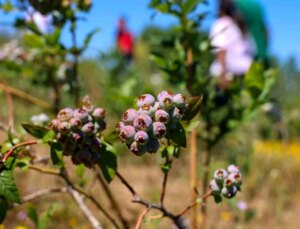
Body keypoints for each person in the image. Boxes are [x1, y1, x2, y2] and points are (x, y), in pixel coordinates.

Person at [210, 0, 253, 89]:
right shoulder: (239, 26)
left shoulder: (221, 24)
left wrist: (222, 75)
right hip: (247, 75)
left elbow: (221, 49)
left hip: (230, 74)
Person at [234, 0, 269, 65]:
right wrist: (263, 48)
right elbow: (267, 31)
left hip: (247, 57)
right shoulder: (257, 6)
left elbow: (239, 22)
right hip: (262, 54)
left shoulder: (237, 4)